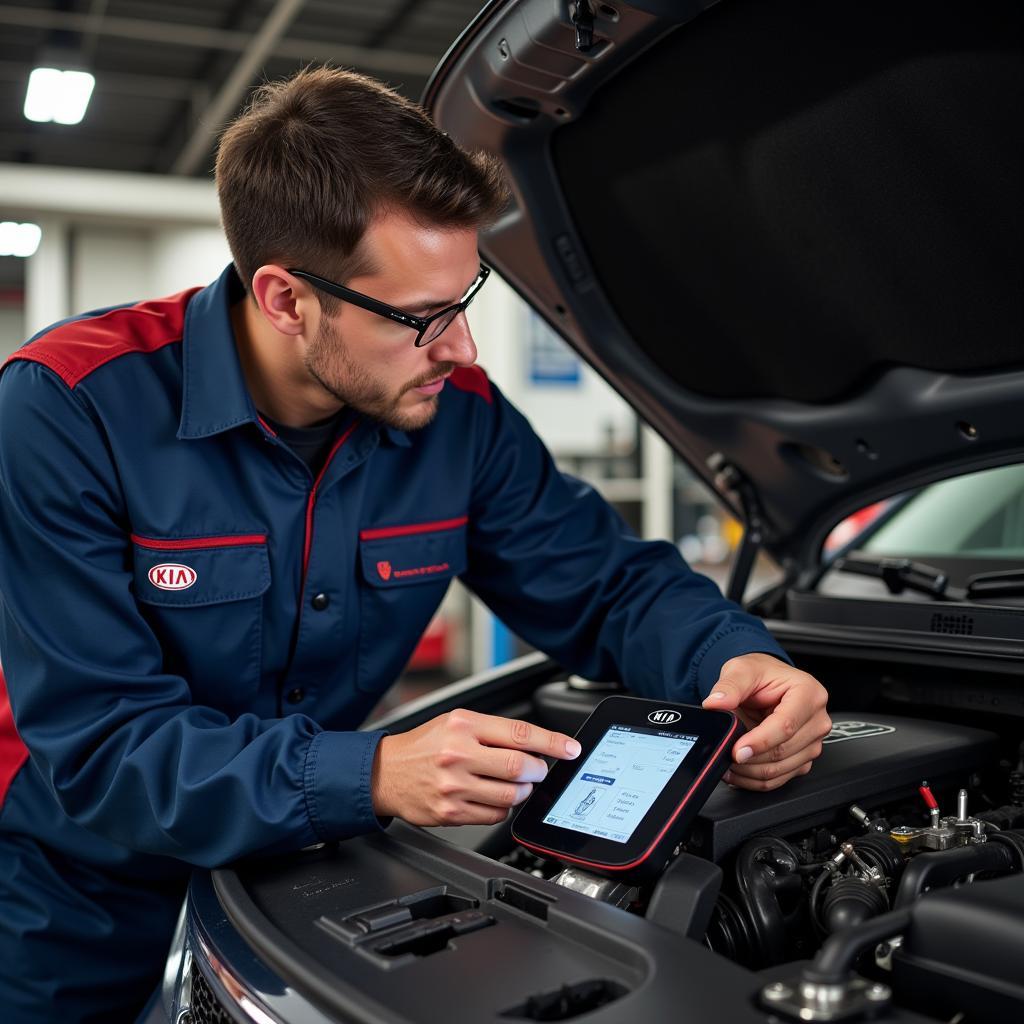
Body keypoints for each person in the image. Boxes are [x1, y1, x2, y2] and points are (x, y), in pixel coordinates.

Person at [0, 67, 830, 1022]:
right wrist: (375, 772)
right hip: (77, 899)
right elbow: (108, 747)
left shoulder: (457, 417)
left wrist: (738, 656)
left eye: (464, 297)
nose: (464, 348)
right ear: (284, 299)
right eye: (421, 317)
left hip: (304, 877)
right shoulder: (71, 407)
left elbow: (606, 587)